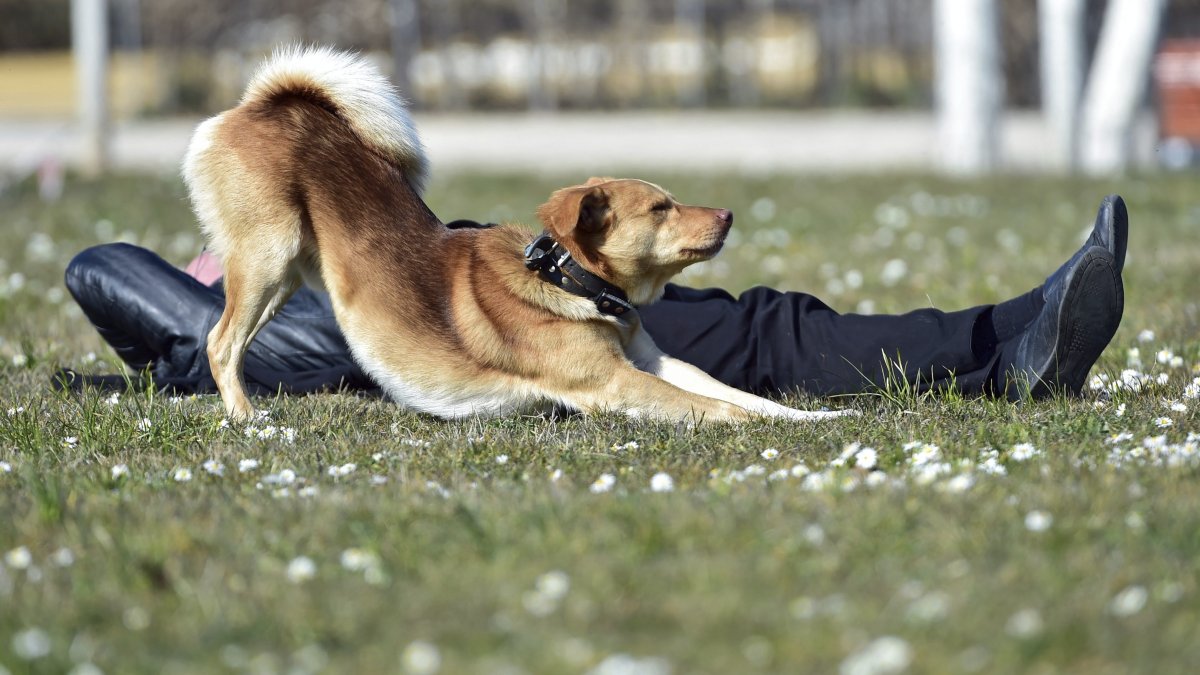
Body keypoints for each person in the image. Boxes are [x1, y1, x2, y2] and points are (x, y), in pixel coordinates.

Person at [60, 195, 1127, 403]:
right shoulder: (244, 341)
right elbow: (97, 267)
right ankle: (1009, 350)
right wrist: (223, 294)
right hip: (495, 337)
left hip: (484, 283)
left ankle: (1007, 343)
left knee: (757, 325)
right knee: (759, 332)